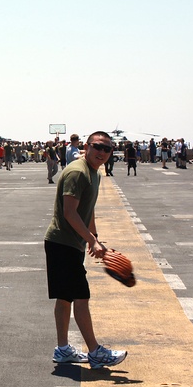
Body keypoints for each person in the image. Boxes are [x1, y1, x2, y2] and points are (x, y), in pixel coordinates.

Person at [45, 131, 127, 369]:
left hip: (70, 243)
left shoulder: (94, 173)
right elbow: (70, 213)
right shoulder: (78, 172)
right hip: (62, 243)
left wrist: (94, 238)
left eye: (107, 149)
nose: (102, 152)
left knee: (65, 298)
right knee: (81, 297)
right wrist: (91, 240)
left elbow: (87, 210)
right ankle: (95, 352)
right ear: (87, 147)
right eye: (97, 147)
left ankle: (63, 350)